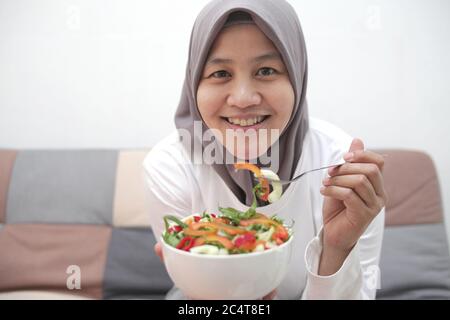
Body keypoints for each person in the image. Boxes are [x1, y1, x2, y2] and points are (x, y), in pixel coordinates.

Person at [143, 0, 386, 300]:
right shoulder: (171, 165)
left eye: (266, 70)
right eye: (220, 74)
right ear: (194, 83)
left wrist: (337, 248)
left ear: (297, 75)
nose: (243, 98)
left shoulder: (341, 167)